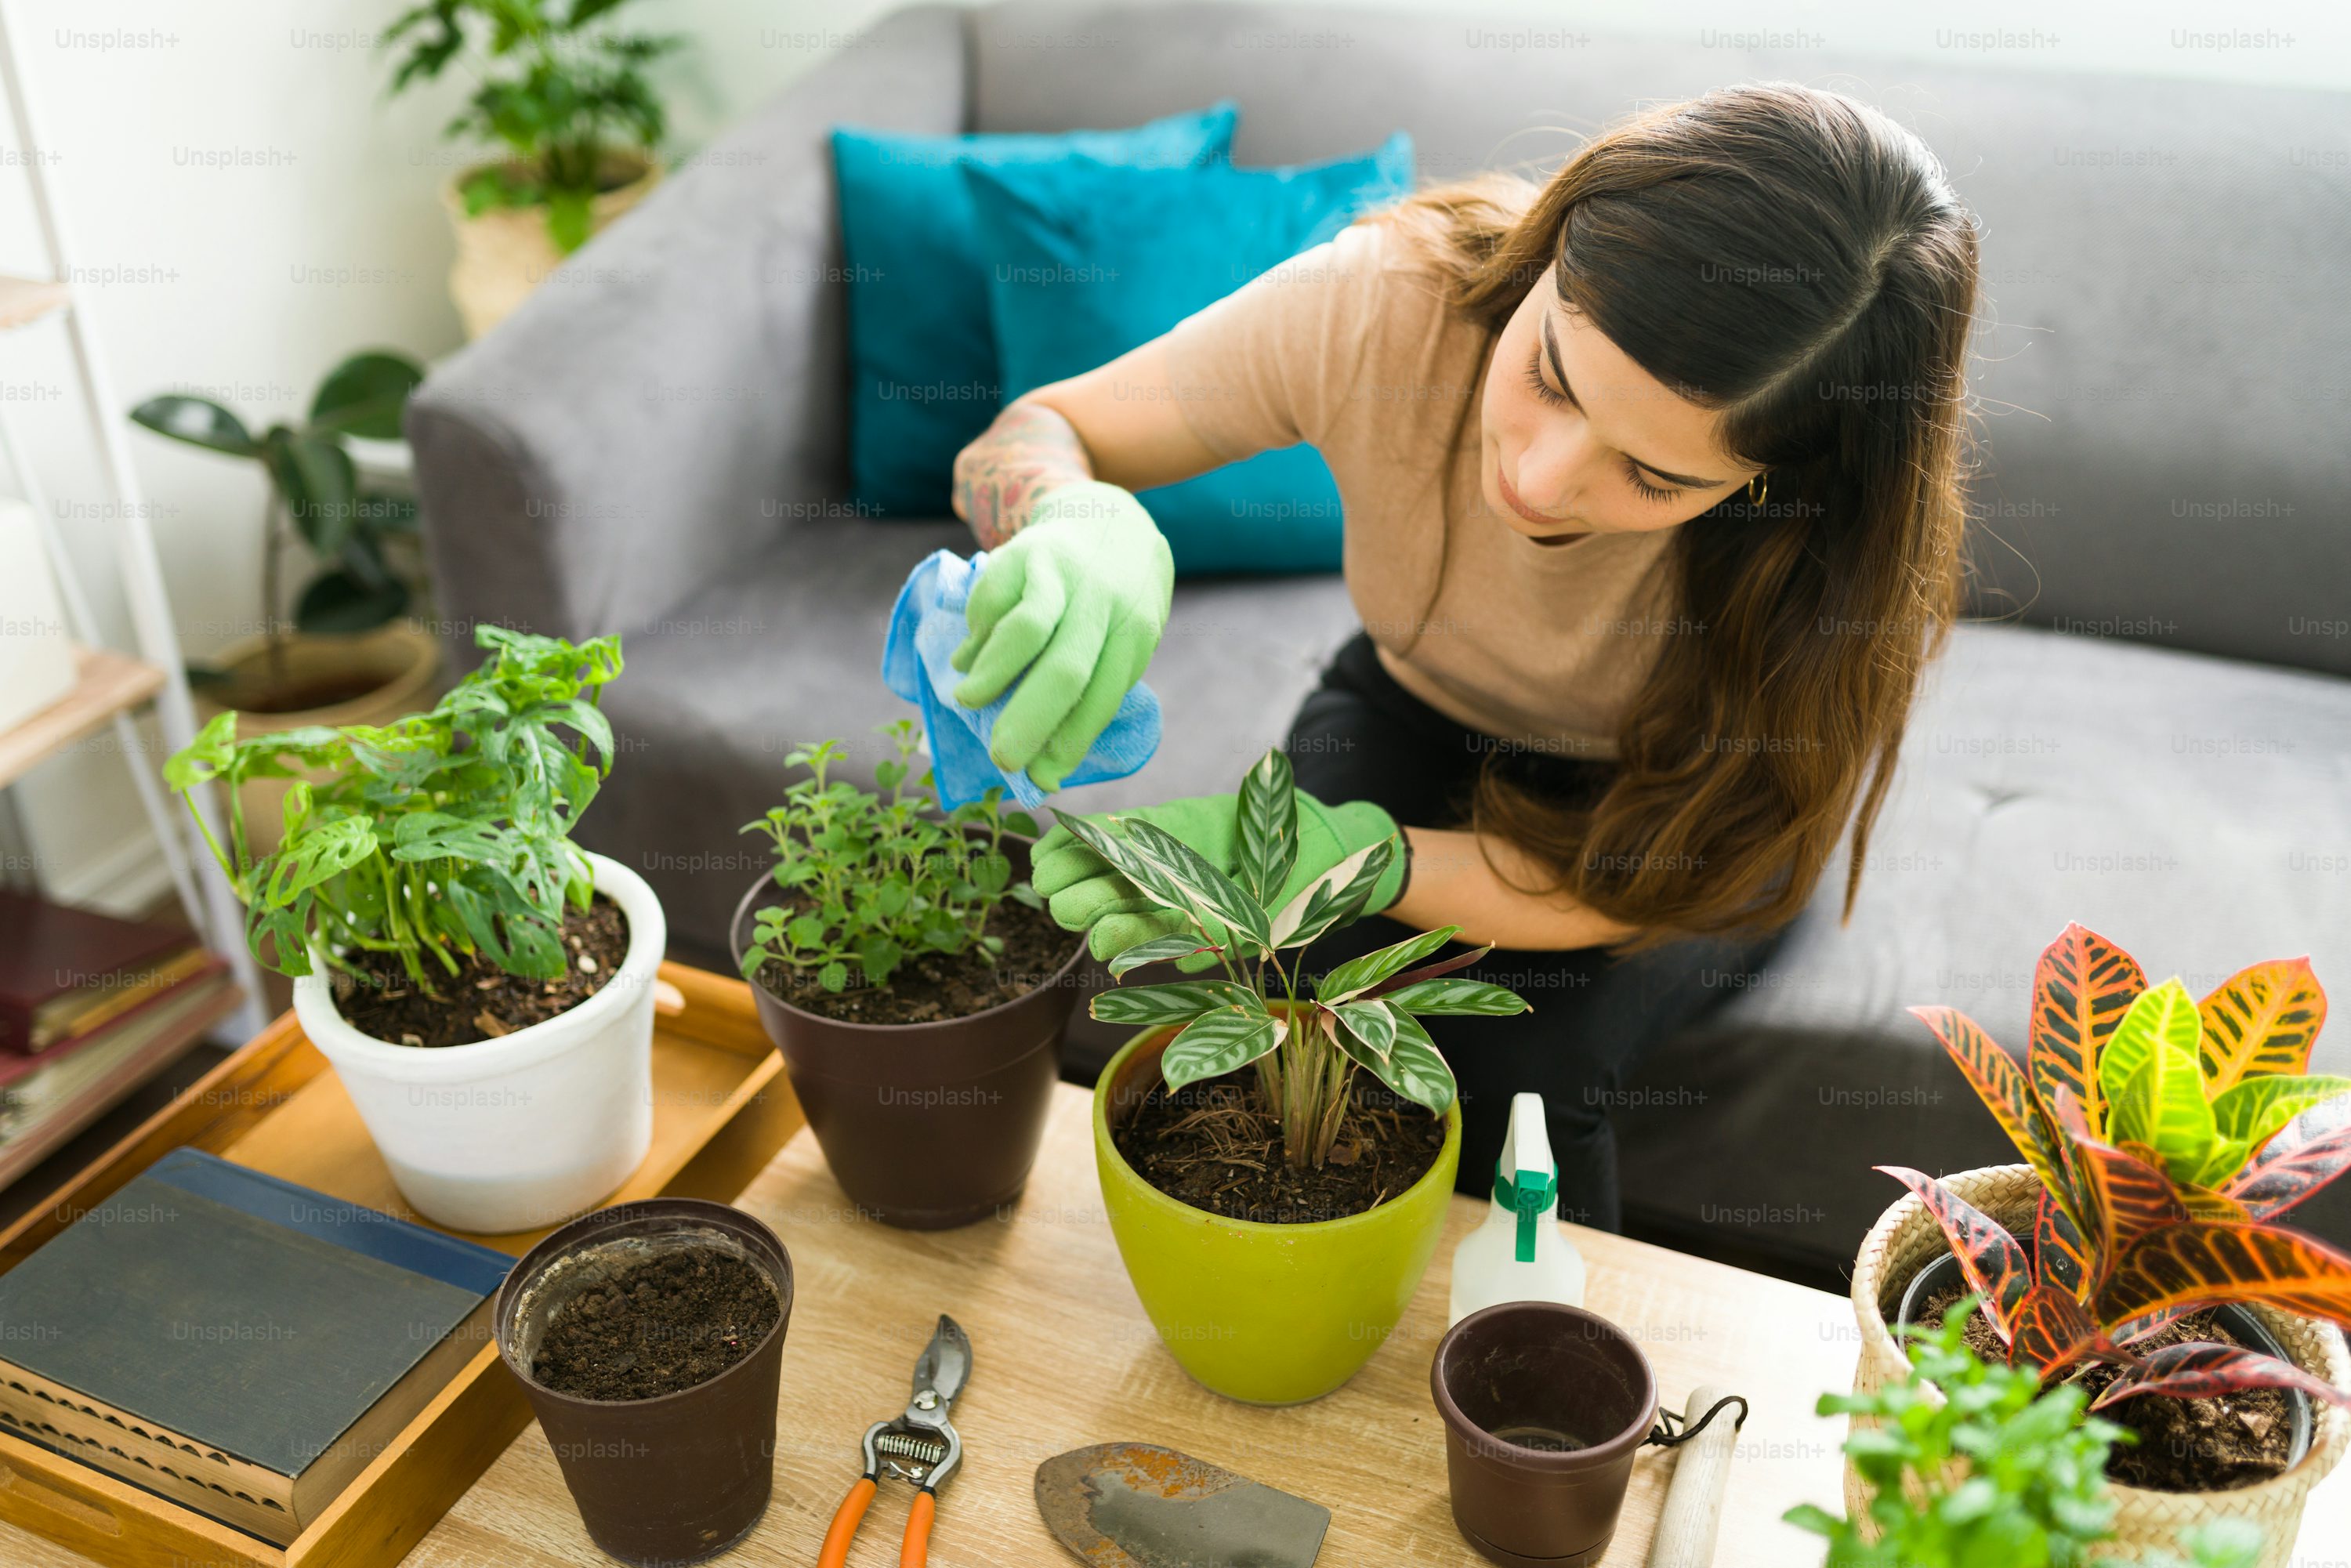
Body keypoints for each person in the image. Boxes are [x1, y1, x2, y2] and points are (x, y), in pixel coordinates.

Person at [943, 84, 1982, 1231]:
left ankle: (1529, 1396)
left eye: (1653, 476)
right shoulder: (1386, 303)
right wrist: (1075, 520)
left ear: (1775, 482)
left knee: (1517, 1075)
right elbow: (1040, 431)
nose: (1537, 483)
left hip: (1678, 810)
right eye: (1550, 373)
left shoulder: (1828, 557)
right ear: (1547, 254)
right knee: (1282, 988)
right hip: (1415, 703)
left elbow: (1678, 870)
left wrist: (1372, 861)